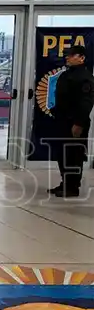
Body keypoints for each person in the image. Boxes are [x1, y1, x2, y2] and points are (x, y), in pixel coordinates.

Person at [50, 45, 94, 198]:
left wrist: (79, 124)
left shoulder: (85, 77)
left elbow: (86, 103)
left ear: (81, 58)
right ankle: (65, 182)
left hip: (75, 123)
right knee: (63, 154)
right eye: (67, 55)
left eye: (71, 55)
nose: (67, 57)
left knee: (74, 155)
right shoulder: (66, 74)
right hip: (62, 121)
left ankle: (73, 187)